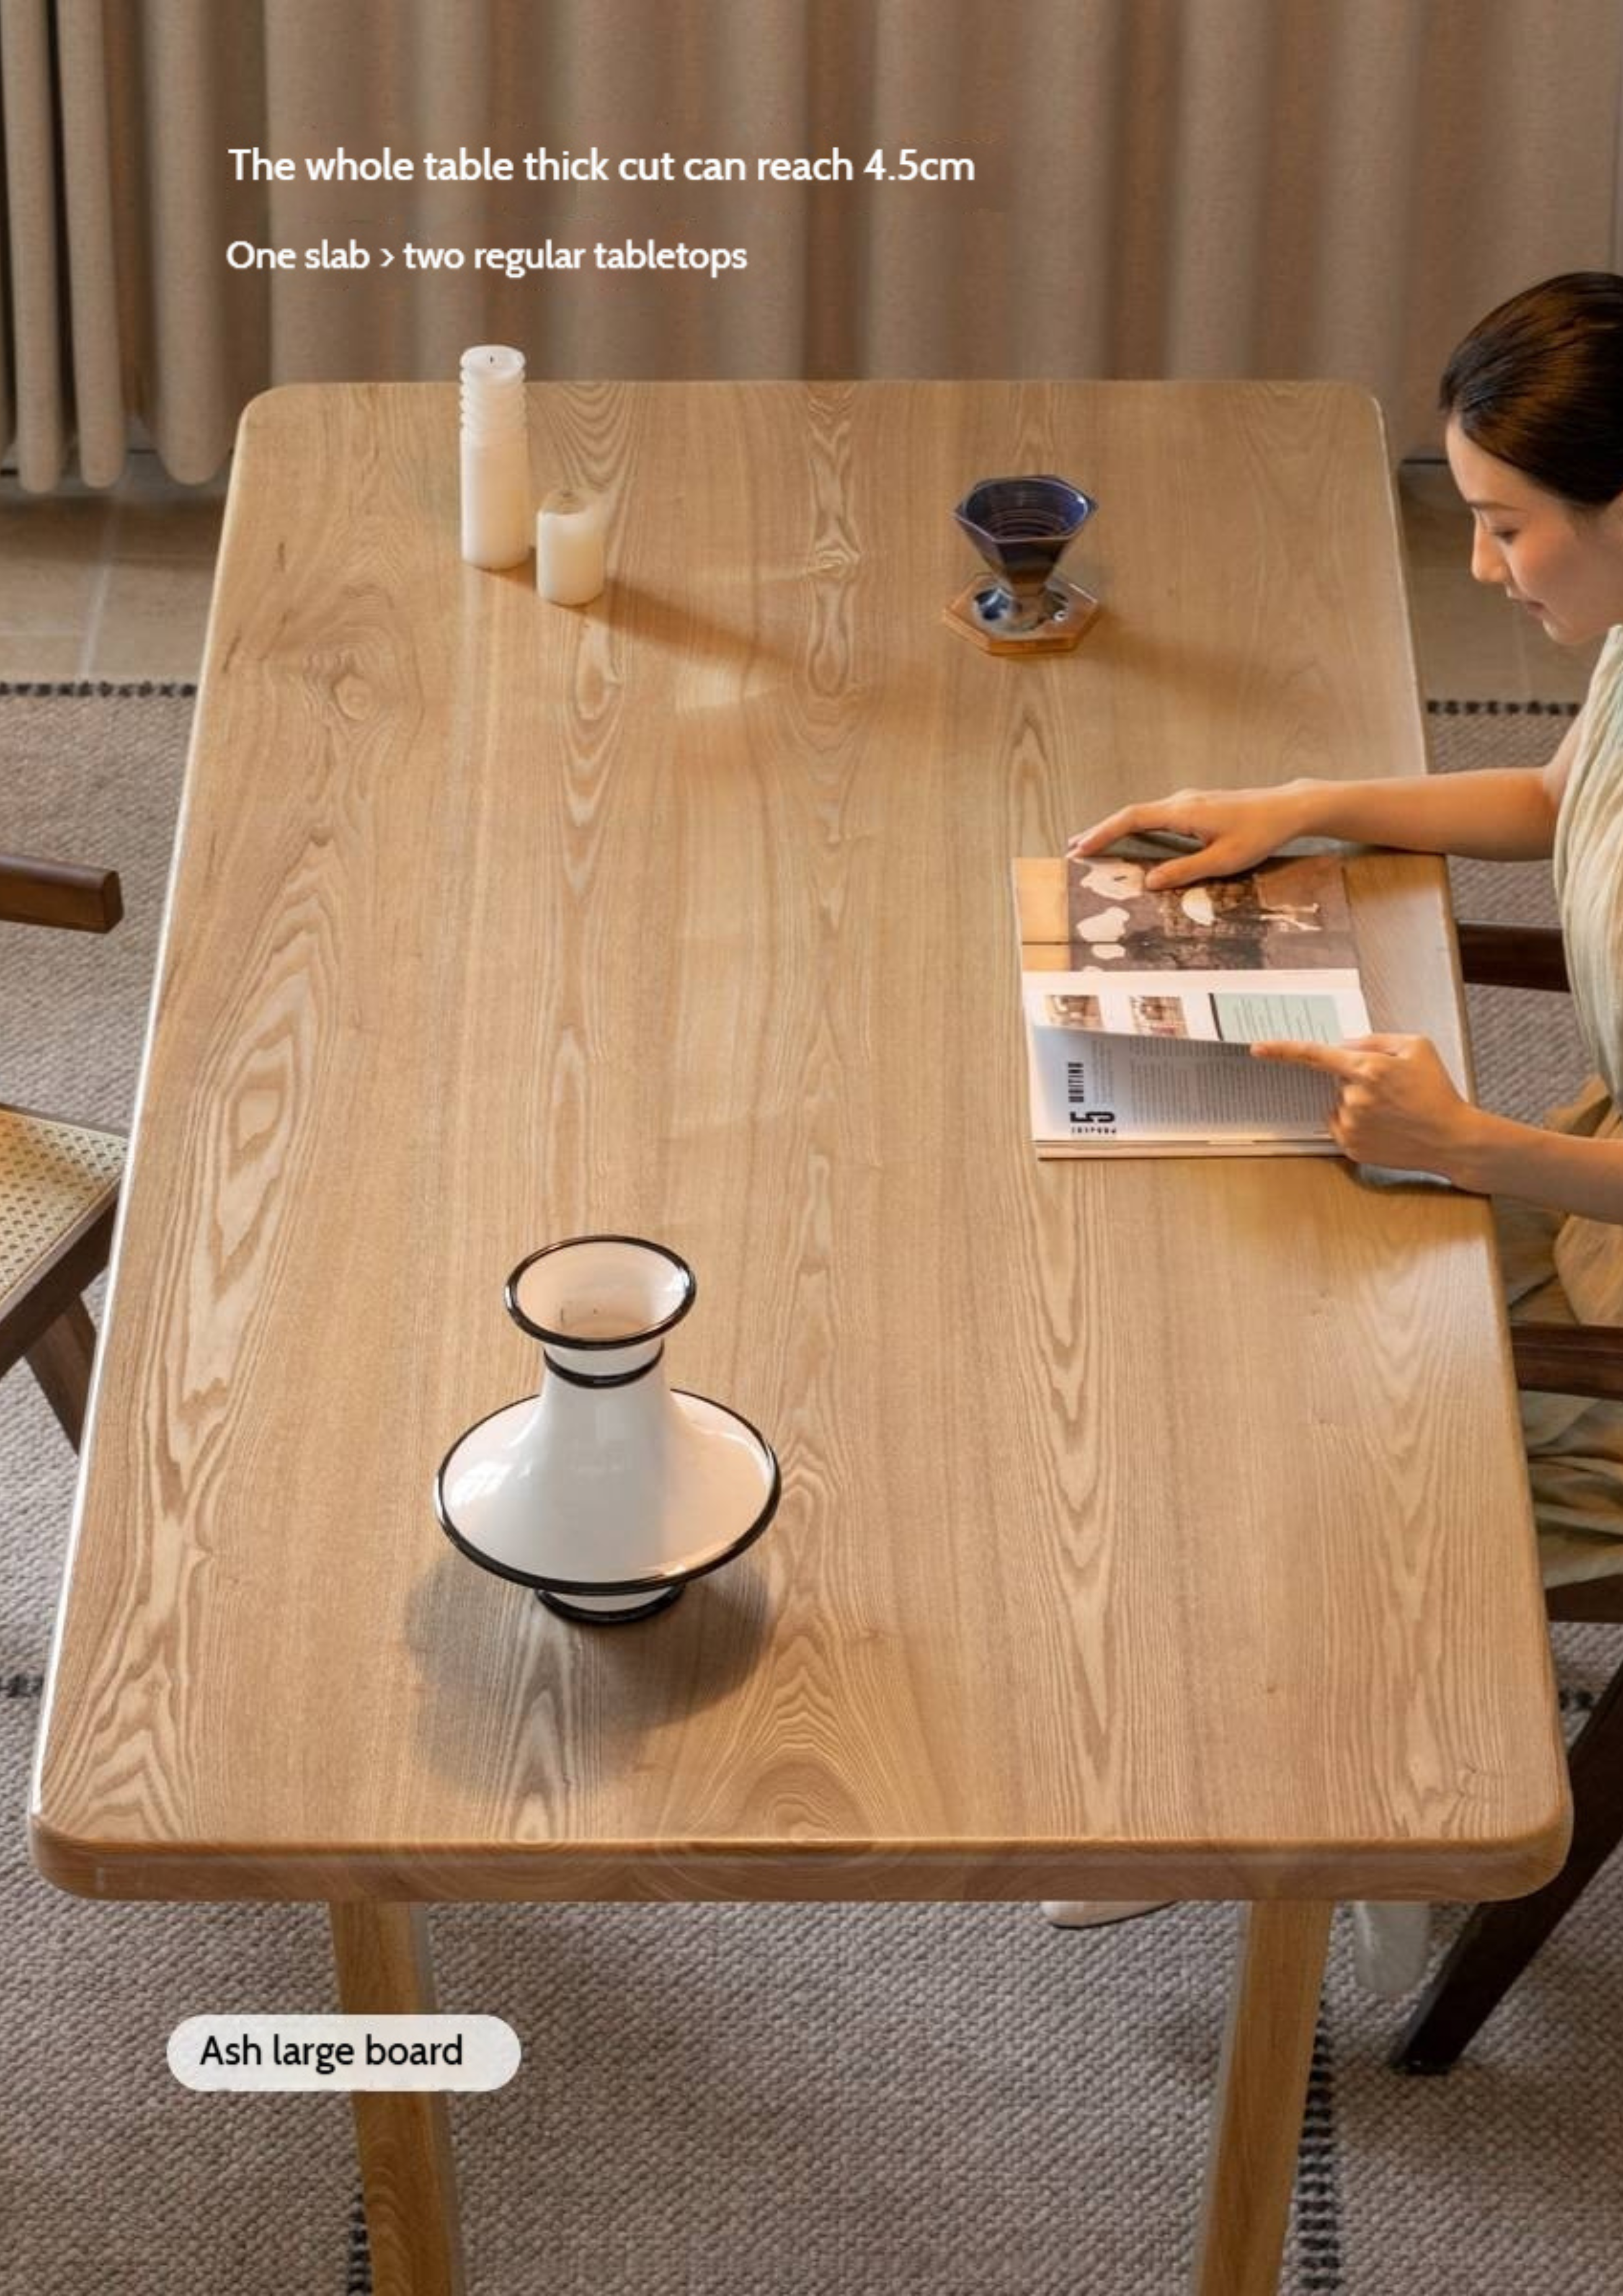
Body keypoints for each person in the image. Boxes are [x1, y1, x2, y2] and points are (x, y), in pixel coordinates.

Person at [1045, 269, 1623, 1931]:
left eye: (1508, 528)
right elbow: (1555, 790)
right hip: (1578, 1182)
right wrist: (1297, 805)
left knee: (1274, 1407)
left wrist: (1461, 1144)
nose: (1478, 565)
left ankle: (1278, 1790)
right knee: (1216, 1249)